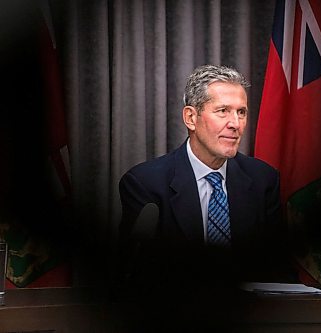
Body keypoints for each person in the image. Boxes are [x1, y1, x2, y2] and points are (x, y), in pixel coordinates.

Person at [116, 64, 291, 330]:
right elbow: (140, 274)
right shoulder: (145, 183)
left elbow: (277, 267)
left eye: (241, 112)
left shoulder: (263, 179)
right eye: (223, 111)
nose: (235, 124)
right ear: (191, 118)